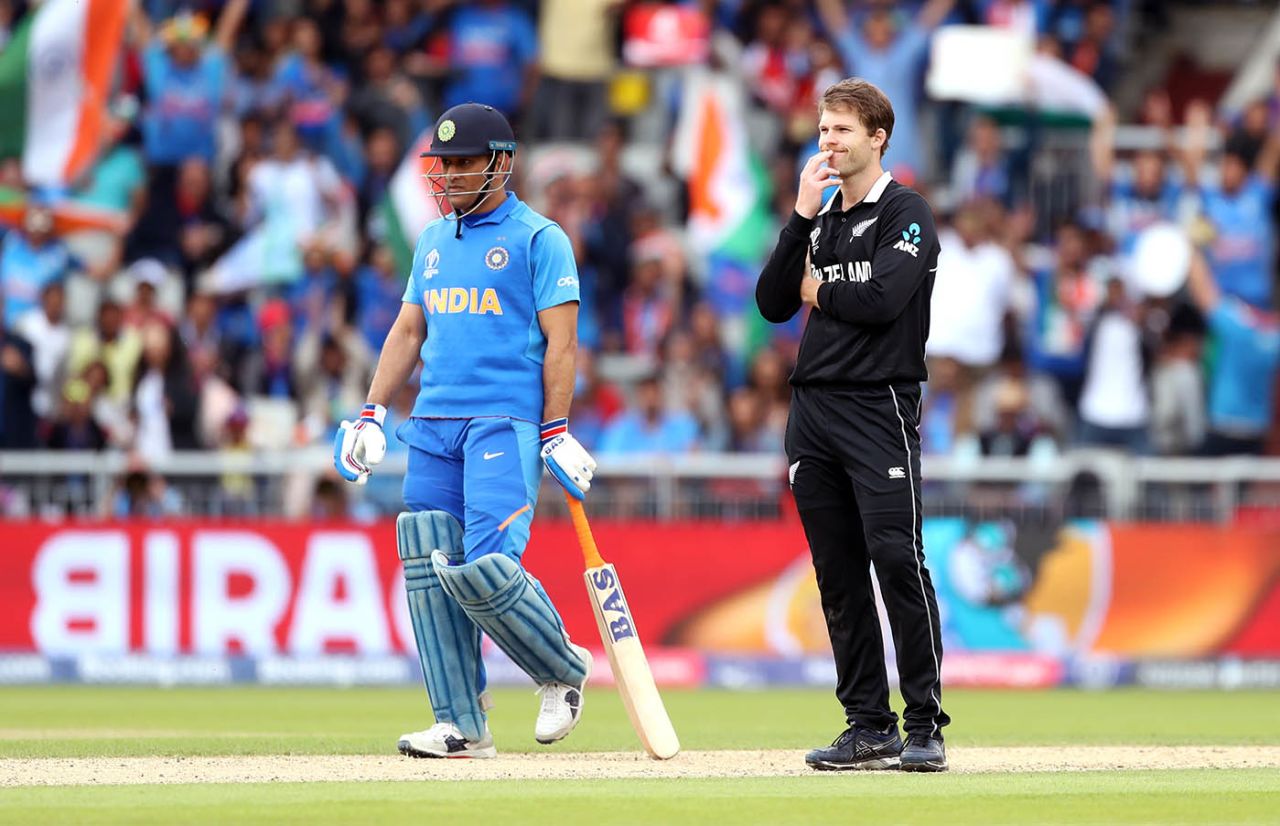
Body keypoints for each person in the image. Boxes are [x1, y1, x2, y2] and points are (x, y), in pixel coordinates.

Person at [332, 103, 596, 759]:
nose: (447, 176)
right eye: (442, 165)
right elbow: (408, 331)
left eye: (462, 163)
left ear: (501, 164)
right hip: (432, 424)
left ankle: (562, 667)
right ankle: (461, 725)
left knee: (484, 567)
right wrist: (372, 412)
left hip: (502, 421)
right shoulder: (430, 240)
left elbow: (562, 345)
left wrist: (556, 428)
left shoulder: (540, 239)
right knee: (426, 560)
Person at [755, 78, 950, 772]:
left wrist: (817, 288)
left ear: (878, 137)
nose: (829, 141)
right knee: (837, 574)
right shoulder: (823, 216)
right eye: (823, 128)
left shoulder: (908, 213)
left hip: (879, 406)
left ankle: (925, 722)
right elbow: (772, 303)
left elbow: (880, 300)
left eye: (843, 129)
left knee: (896, 560)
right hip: (814, 412)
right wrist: (801, 218)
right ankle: (869, 724)